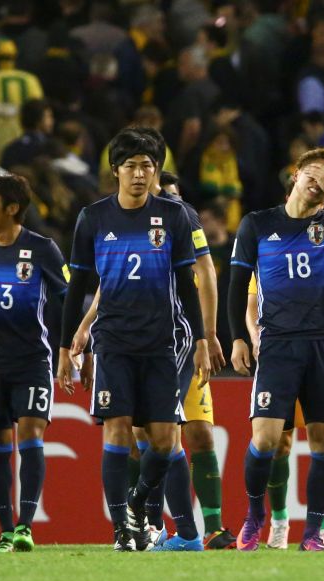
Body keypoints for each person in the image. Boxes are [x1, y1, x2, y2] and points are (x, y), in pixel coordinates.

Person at [71, 132, 230, 550]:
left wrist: (201, 336)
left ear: (156, 171)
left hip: (164, 342)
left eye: (147, 166)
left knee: (165, 439)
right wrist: (75, 338)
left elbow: (192, 278)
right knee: (119, 431)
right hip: (115, 342)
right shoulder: (93, 217)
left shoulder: (176, 216)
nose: (140, 174)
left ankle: (142, 501)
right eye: (131, 166)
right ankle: (124, 528)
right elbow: (85, 285)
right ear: (116, 171)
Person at [228, 147, 324, 551]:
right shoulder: (257, 224)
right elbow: (238, 284)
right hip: (276, 343)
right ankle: (255, 514)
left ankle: (314, 533)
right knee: (266, 438)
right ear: (295, 175)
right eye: (313, 172)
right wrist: (238, 337)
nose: (318, 180)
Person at [246, 240, 324, 550]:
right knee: (279, 442)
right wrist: (255, 338)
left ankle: (322, 529)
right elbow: (251, 302)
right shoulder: (271, 243)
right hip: (282, 352)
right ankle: (279, 523)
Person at [0, 174, 68, 553]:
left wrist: (71, 348)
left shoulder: (42, 249)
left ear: (12, 208)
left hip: (32, 360)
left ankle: (26, 526)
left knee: (30, 433)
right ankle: (5, 530)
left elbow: (68, 297)